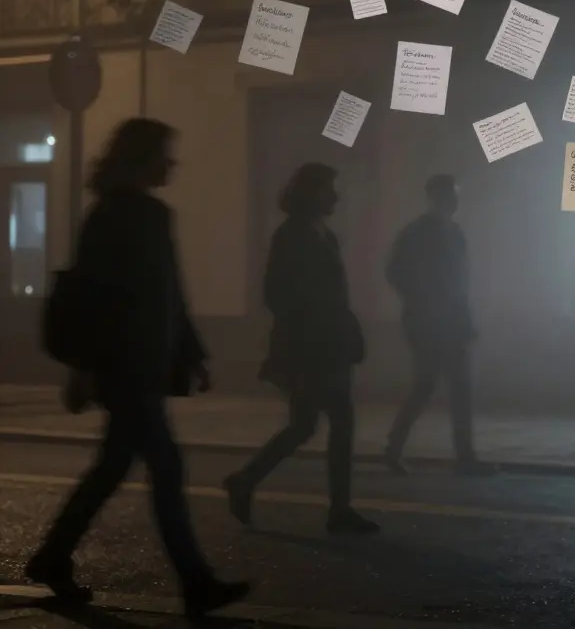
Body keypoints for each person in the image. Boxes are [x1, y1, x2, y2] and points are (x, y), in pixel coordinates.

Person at [25, 118, 251, 617]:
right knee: (165, 467)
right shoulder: (119, 215)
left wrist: (193, 354)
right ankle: (195, 584)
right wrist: (84, 367)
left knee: (112, 467)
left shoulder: (141, 213)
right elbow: (94, 299)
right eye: (165, 154)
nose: (173, 163)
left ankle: (52, 557)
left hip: (138, 366)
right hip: (125, 367)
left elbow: (171, 295)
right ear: (143, 158)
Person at [223, 163, 379, 535]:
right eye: (329, 189)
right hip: (310, 348)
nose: (336, 196)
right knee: (335, 422)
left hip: (329, 344)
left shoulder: (323, 234)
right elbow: (276, 293)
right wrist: (312, 326)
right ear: (311, 193)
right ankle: (337, 509)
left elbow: (335, 293)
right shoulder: (291, 235)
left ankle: (246, 480)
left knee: (306, 425)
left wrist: (347, 327)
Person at [384, 174, 487, 476]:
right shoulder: (418, 233)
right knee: (427, 386)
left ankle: (463, 456)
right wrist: (422, 301)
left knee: (455, 388)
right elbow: (395, 272)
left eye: (456, 196)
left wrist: (464, 319)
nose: (455, 202)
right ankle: (396, 449)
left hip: (449, 322)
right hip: (428, 323)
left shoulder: (453, 232)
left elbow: (460, 283)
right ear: (436, 197)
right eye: (450, 196)